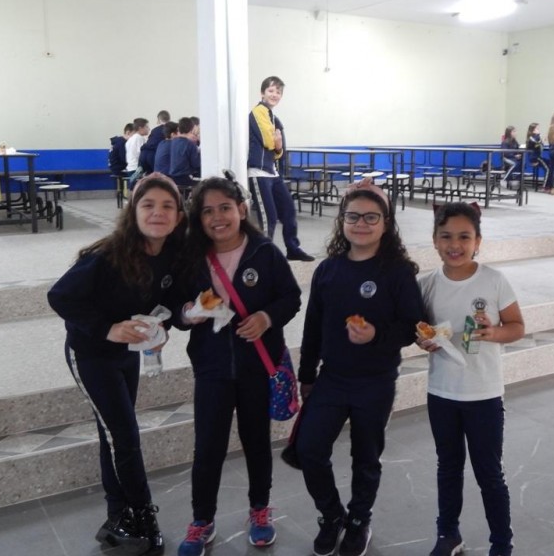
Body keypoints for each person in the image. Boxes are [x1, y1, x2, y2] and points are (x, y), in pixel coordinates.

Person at [47, 173, 188, 556]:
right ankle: (143, 514)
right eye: (148, 205)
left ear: (178, 216)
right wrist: (107, 329)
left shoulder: (172, 254)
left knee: (113, 434)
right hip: (91, 354)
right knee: (125, 437)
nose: (158, 213)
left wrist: (165, 324)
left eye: (167, 206)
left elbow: (169, 300)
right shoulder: (108, 256)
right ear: (133, 211)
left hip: (127, 354)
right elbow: (60, 296)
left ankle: (117, 515)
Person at [295, 178, 425, 556]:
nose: (361, 224)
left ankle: (358, 519)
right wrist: (306, 376)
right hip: (332, 378)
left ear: (386, 223)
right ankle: (331, 514)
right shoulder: (328, 270)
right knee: (309, 450)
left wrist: (376, 335)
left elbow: (413, 326)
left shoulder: (397, 272)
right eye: (353, 216)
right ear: (342, 221)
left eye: (371, 217)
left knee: (365, 457)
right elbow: (313, 327)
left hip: (376, 381)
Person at [174, 175, 301, 556]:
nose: (217, 218)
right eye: (207, 211)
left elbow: (291, 297)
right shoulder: (191, 257)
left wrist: (266, 317)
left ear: (242, 210)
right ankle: (201, 520)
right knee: (208, 447)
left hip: (255, 367)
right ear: (198, 219)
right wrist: (189, 313)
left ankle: (260, 510)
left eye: (225, 208)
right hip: (211, 368)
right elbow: (178, 309)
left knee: (256, 441)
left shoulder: (265, 253)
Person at [417, 201, 524, 556]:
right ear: (434, 240)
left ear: (478, 241)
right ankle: (448, 534)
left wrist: (495, 333)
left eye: (464, 237)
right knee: (448, 468)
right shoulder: (426, 284)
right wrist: (422, 339)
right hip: (442, 393)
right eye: (446, 236)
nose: (455, 244)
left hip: (484, 395)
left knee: (489, 473)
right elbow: (418, 329)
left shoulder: (493, 280)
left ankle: (501, 543)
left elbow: (517, 327)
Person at [247, 75, 315, 262]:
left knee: (288, 210)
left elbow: (279, 152)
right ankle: (262, 256)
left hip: (272, 172)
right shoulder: (258, 111)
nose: (274, 95)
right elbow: (269, 141)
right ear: (262, 93)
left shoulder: (273, 117)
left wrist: (277, 146)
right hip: (258, 172)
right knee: (268, 217)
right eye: (271, 90)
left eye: (278, 92)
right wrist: (276, 144)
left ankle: (293, 249)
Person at [166, 117, 201, 189]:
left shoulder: (173, 142)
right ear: (191, 129)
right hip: (185, 178)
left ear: (178, 128)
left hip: (173, 177)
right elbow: (196, 164)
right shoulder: (190, 144)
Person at [139, 110, 172, 175]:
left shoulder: (154, 130)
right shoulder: (169, 130)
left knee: (148, 176)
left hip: (143, 154)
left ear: (159, 120)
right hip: (153, 155)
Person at [525, 122, 548, 189]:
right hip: (534, 157)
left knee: (550, 163)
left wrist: (542, 140)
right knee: (547, 169)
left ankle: (549, 184)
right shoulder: (532, 138)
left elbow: (540, 145)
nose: (539, 130)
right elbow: (536, 144)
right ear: (533, 130)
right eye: (537, 129)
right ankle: (545, 186)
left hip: (538, 156)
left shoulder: (536, 137)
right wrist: (540, 137)